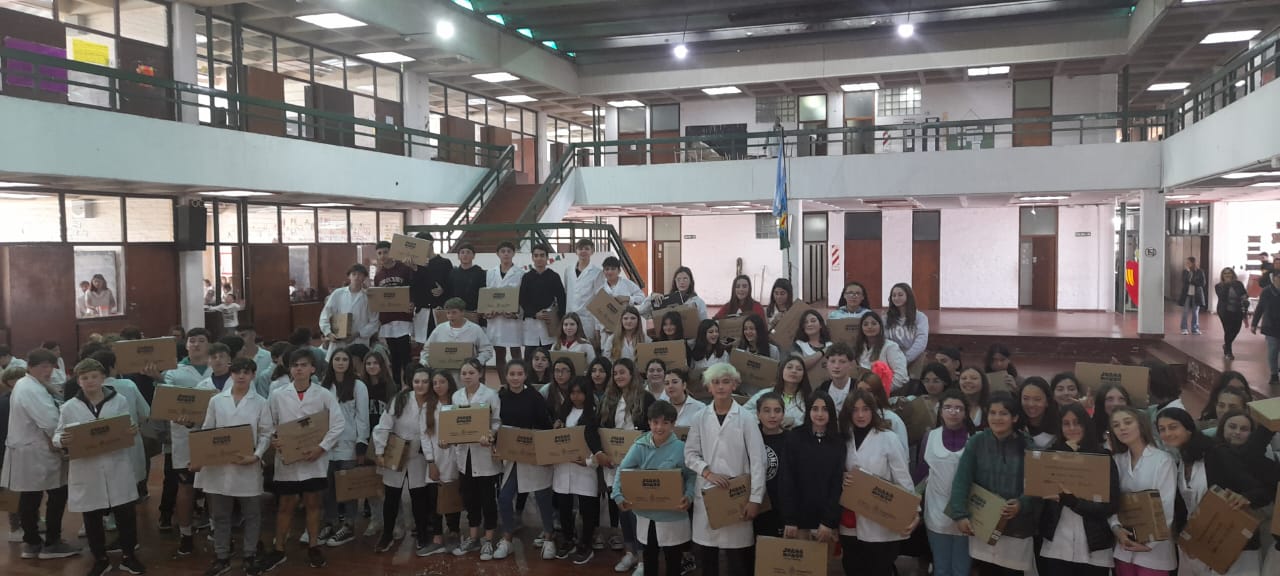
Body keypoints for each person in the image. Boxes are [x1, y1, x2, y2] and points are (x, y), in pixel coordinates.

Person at [54, 359, 145, 576]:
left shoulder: (119, 400)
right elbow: (58, 434)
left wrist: (132, 430)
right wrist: (61, 440)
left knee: (125, 514)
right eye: (85, 378)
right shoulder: (69, 407)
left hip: (117, 464)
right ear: (78, 381)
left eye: (94, 376)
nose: (90, 381)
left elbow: (128, 424)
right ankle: (100, 558)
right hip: (88, 469)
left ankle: (129, 555)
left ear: (103, 378)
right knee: (92, 516)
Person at [260, 349, 346, 571]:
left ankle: (313, 545)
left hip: (314, 460)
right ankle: (279, 549)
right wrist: (274, 439)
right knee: (285, 505)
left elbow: (338, 424)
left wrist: (321, 447)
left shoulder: (323, 394)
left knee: (313, 503)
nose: (299, 369)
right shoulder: (278, 395)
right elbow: (268, 424)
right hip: (287, 460)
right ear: (290, 369)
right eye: (295, 365)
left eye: (303, 365)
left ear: (312, 369)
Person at [1156, 408, 1269, 576]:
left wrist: (1244, 498)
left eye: (1173, 427)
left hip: (1232, 545)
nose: (1167, 433)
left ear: (1188, 428)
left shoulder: (1218, 453)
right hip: (1197, 544)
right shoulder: (1180, 463)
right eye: (1162, 429)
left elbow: (1261, 491)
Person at [685, 363, 766, 576]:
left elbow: (758, 460)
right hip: (708, 493)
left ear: (734, 385)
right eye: (716, 382)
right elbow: (690, 454)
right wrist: (707, 472)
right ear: (708, 387)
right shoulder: (699, 417)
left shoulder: (746, 418)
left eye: (726, 381)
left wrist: (755, 499)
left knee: (737, 560)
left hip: (737, 495)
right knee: (707, 558)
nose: (721, 387)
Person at [195, 357, 273, 576]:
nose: (241, 376)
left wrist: (256, 456)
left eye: (246, 372)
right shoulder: (216, 401)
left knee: (252, 514)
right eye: (237, 372)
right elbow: (207, 430)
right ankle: (222, 557)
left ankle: (249, 555)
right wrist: (201, 457)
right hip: (219, 467)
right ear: (231, 374)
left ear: (253, 376)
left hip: (248, 465)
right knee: (220, 515)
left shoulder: (261, 402)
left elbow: (266, 433)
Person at [2, 348, 80, 560]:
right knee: (57, 493)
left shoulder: (27, 384)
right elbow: (50, 422)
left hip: (29, 449)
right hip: (37, 451)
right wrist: (62, 444)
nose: (48, 371)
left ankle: (32, 542)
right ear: (30, 367)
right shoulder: (30, 388)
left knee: (30, 496)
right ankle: (52, 543)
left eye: (50, 366)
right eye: (43, 366)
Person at [948, 393, 1037, 576]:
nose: (997, 418)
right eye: (992, 413)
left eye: (1003, 413)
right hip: (983, 525)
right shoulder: (976, 442)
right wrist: (959, 514)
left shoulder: (1028, 445)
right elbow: (962, 480)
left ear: (1015, 417)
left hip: (1016, 528)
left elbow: (1036, 486)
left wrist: (1021, 504)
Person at [613, 400, 696, 576]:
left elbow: (691, 476)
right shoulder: (639, 446)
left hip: (673, 514)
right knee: (649, 558)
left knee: (673, 560)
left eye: (665, 423)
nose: (659, 427)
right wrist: (617, 494)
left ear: (673, 424)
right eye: (655, 422)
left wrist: (689, 496)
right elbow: (623, 469)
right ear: (649, 423)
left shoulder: (681, 449)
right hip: (647, 513)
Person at [840, 388, 917, 576]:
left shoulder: (888, 438)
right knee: (852, 568)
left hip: (882, 522)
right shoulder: (844, 438)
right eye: (855, 410)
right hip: (850, 523)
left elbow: (903, 479)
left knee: (879, 569)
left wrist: (913, 513)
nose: (860, 415)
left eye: (865, 409)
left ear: (873, 410)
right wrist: (842, 477)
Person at [1037, 403, 1121, 576]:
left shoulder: (1102, 458)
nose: (1072, 428)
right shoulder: (1049, 457)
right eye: (1066, 423)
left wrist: (1074, 502)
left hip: (1094, 546)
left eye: (1077, 422)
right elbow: (1039, 496)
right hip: (1057, 545)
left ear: (1086, 424)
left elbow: (1111, 505)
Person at [159, 329, 218, 557]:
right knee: (186, 486)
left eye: (202, 340)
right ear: (186, 345)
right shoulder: (173, 372)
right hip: (184, 435)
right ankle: (185, 534)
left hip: (213, 434)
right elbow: (167, 401)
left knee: (213, 486)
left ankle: (215, 529)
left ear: (209, 344)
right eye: (192, 341)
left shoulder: (218, 368)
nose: (196, 344)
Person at [595, 358, 656, 566]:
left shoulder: (646, 398)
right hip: (614, 463)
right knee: (622, 507)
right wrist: (600, 452)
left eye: (622, 372)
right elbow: (595, 427)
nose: (618, 376)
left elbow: (652, 429)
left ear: (632, 374)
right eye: (615, 373)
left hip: (639, 462)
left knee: (636, 511)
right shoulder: (608, 398)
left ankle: (643, 558)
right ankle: (630, 552)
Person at [493, 360, 557, 560]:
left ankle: (549, 537)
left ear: (525, 376)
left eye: (519, 374)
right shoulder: (500, 397)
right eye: (512, 374)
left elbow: (545, 424)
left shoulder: (534, 397)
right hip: (513, 456)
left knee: (542, 496)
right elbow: (496, 424)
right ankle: (507, 538)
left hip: (534, 453)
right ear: (506, 376)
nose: (515, 378)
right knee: (505, 497)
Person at [371, 366, 434, 554]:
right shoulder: (400, 400)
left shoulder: (434, 402)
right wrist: (380, 452)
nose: (420, 385)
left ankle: (422, 533)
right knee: (391, 496)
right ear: (411, 382)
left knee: (419, 497)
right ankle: (387, 535)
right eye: (417, 381)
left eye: (425, 381)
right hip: (396, 452)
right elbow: (384, 426)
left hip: (420, 456)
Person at [1107, 406, 1176, 576]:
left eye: (1127, 422)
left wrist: (1149, 543)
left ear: (1141, 424)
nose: (1122, 428)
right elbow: (1110, 500)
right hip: (1124, 546)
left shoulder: (1162, 460)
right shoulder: (1116, 461)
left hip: (1155, 551)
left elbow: (1166, 505)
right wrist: (1116, 528)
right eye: (1116, 425)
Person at [447, 358, 502, 560]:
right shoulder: (456, 396)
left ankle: (488, 540)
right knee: (470, 499)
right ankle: (472, 538)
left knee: (488, 499)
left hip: (484, 454)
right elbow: (453, 423)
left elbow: (497, 421)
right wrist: (449, 437)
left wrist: (490, 434)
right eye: (464, 373)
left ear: (480, 373)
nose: (467, 376)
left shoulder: (490, 395)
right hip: (465, 455)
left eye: (471, 372)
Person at [316, 348, 369, 547]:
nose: (340, 362)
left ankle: (349, 525)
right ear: (331, 362)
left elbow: (362, 416)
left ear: (350, 363)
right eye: (337, 359)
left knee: (348, 487)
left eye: (344, 359)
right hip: (326, 444)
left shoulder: (358, 385)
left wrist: (361, 443)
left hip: (349, 443)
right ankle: (330, 522)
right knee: (327, 488)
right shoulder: (323, 385)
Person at [920, 390, 975, 576]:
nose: (953, 412)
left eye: (959, 408)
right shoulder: (930, 437)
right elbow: (920, 475)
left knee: (962, 569)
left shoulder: (976, 439)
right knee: (941, 567)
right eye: (948, 407)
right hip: (936, 511)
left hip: (967, 514)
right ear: (940, 411)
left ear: (966, 413)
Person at [778, 391, 843, 542]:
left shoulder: (838, 442)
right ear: (808, 411)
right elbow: (786, 479)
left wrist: (829, 521)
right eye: (815, 409)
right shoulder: (795, 437)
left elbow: (837, 484)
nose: (819, 414)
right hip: (798, 522)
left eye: (825, 409)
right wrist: (790, 519)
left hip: (826, 524)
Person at [553, 378, 603, 564]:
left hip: (585, 469)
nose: (576, 396)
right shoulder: (563, 413)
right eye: (572, 393)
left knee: (587, 509)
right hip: (563, 467)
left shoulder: (594, 415)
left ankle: (586, 544)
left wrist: (589, 462)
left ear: (587, 394)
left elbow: (599, 445)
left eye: (580, 392)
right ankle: (568, 539)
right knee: (564, 508)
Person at [418, 368, 461, 557]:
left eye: (442, 382)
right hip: (435, 459)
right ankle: (437, 538)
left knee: (452, 497)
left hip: (454, 458)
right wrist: (430, 461)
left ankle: (454, 533)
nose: (438, 386)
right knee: (434, 499)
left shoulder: (457, 403)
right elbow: (425, 436)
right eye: (434, 383)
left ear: (449, 383)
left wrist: (454, 442)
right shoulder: (428, 406)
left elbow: (464, 430)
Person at [373, 240, 417, 387]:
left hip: (403, 318)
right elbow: (378, 298)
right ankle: (397, 388)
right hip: (387, 320)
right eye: (379, 253)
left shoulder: (404, 269)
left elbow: (414, 288)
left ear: (391, 252)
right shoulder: (378, 276)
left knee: (405, 355)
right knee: (394, 357)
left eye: (385, 252)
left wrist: (412, 302)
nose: (383, 255)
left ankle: (410, 386)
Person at [319, 264, 380, 359]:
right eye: (354, 274)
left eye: (360, 274)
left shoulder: (369, 297)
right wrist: (329, 333)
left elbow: (374, 322)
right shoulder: (338, 294)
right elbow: (325, 316)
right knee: (338, 364)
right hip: (338, 341)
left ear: (364, 277)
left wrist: (357, 334)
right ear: (349, 276)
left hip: (359, 341)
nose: (356, 277)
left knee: (357, 364)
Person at [484, 241, 525, 380]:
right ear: (498, 254)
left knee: (515, 352)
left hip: (512, 320)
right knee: (499, 353)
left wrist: (516, 313)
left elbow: (522, 297)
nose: (506, 254)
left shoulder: (520, 274)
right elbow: (488, 295)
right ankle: (503, 384)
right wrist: (487, 311)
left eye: (509, 251)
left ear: (513, 253)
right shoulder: (491, 273)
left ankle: (519, 381)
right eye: (503, 251)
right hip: (495, 320)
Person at [520, 244, 567, 358]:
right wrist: (534, 314)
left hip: (550, 323)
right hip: (531, 323)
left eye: (542, 255)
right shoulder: (527, 277)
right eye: (536, 256)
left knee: (549, 356)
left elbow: (562, 299)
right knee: (529, 357)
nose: (539, 258)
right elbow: (522, 300)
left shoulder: (554, 276)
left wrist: (559, 322)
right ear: (532, 258)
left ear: (547, 257)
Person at [752, 393, 788, 539]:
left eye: (777, 411)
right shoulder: (750, 437)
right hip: (754, 506)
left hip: (781, 508)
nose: (772, 415)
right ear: (758, 414)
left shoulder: (791, 440)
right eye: (766, 411)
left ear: (783, 414)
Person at [420, 297, 495, 367]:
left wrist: (476, 362)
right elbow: (426, 350)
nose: (450, 316)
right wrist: (425, 361)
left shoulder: (475, 329)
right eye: (448, 313)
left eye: (454, 312)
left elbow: (487, 350)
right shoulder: (439, 329)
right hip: (443, 371)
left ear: (462, 312)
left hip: (467, 371)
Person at [408, 232, 453, 344]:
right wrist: (414, 269)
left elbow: (451, 286)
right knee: (423, 345)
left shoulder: (444, 263)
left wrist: (443, 290)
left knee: (440, 343)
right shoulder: (414, 265)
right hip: (422, 310)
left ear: (430, 244)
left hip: (439, 309)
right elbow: (412, 287)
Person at [744, 356, 811, 429]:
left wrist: (794, 422)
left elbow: (812, 426)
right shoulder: (766, 393)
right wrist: (764, 419)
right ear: (781, 370)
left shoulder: (808, 399)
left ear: (804, 374)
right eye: (789, 367)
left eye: (799, 369)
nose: (794, 371)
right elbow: (744, 411)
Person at [852, 311, 909, 392]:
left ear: (880, 326)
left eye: (874, 323)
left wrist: (882, 391)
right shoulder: (859, 347)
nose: (870, 327)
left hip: (886, 392)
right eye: (865, 324)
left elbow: (901, 376)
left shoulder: (890, 346)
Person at [564, 239, 607, 341]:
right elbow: (567, 291)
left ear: (592, 252)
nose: (583, 251)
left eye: (587, 249)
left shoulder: (597, 273)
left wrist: (597, 327)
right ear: (576, 251)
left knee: (588, 346)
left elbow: (599, 300)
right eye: (580, 249)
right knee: (571, 347)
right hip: (570, 318)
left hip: (587, 319)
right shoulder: (568, 270)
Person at [885, 282, 930, 378]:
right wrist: (894, 359)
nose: (896, 298)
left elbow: (921, 341)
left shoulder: (920, 317)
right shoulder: (886, 318)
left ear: (908, 296)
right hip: (892, 360)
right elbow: (884, 341)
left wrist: (905, 359)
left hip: (914, 359)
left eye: (900, 295)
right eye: (893, 295)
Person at [642, 266, 708, 322]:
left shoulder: (699, 302)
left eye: (685, 279)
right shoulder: (666, 300)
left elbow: (704, 324)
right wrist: (652, 296)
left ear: (691, 281)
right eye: (678, 279)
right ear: (675, 281)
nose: (682, 282)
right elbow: (643, 313)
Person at [1251, 268, 1280, 385]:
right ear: (1274, 278)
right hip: (1270, 325)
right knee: (1273, 350)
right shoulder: (1267, 291)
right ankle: (1274, 374)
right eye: (1279, 277)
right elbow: (1260, 308)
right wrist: (1254, 324)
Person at [1215, 267, 1249, 359]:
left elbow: (1244, 294)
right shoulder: (1218, 286)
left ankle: (1226, 345)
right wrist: (1227, 285)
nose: (1227, 275)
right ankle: (1228, 352)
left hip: (1237, 310)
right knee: (1228, 330)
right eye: (1225, 273)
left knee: (1236, 329)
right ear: (1222, 276)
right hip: (1224, 311)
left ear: (1233, 274)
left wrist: (1245, 298)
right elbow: (1222, 297)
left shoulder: (1238, 284)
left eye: (1229, 273)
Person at [816, 342, 858, 412]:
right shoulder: (822, 389)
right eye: (832, 361)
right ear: (827, 364)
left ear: (851, 364)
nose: (836, 366)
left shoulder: (858, 387)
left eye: (842, 361)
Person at [1019, 377, 1059, 449]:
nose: (1031, 404)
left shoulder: (1059, 425)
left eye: (1037, 399)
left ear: (1047, 401)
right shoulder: (1014, 424)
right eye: (1025, 398)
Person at [448, 243, 487, 314]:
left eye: (468, 252)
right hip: (456, 311)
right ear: (458, 256)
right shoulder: (453, 273)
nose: (465, 255)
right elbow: (450, 292)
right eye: (462, 252)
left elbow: (483, 292)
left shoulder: (479, 272)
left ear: (473, 256)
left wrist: (480, 308)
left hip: (474, 311)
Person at [1091, 384, 1132, 450]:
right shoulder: (1090, 427)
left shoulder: (1136, 428)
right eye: (1110, 399)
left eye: (1121, 399)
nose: (1116, 403)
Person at [688, 319, 728, 385]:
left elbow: (727, 374)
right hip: (699, 388)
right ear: (703, 334)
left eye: (717, 331)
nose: (715, 334)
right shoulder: (695, 352)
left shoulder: (723, 353)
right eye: (711, 332)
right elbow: (692, 374)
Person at [1179, 257, 1206, 335]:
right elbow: (1184, 281)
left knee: (1195, 312)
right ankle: (1184, 328)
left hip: (1197, 294)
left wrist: (1192, 281)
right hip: (1187, 294)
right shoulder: (1185, 271)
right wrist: (1188, 274)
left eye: (1188, 262)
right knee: (1185, 312)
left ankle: (1195, 329)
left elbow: (1203, 283)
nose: (1187, 264)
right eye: (1186, 262)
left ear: (1193, 263)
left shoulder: (1200, 271)